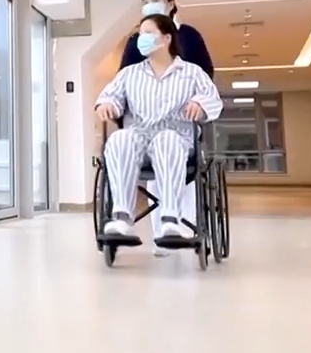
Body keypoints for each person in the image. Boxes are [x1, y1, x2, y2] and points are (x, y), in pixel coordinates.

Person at [94, 14, 223, 249]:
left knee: (166, 140)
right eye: (139, 33)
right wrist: (107, 104)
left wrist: (200, 105)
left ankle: (170, 219)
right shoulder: (129, 74)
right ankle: (122, 217)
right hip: (139, 137)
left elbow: (213, 100)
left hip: (177, 137)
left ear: (166, 38)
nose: (140, 38)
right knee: (119, 138)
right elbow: (110, 96)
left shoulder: (192, 73)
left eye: (147, 33)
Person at [116, 0, 215, 255]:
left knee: (183, 171)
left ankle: (187, 227)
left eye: (155, 0)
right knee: (154, 172)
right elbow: (124, 78)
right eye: (145, 1)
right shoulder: (137, 41)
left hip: (182, 118)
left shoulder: (189, 36)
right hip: (147, 121)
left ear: (171, 4)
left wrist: (197, 101)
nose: (149, 5)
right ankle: (162, 235)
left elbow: (206, 73)